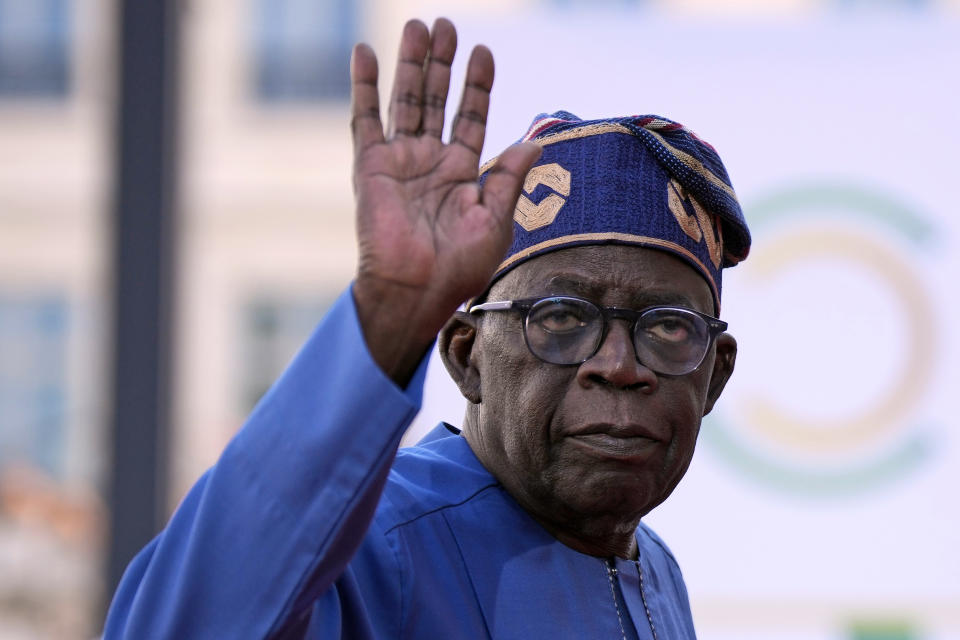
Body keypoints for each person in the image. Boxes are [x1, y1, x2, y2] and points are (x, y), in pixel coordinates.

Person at [104, 17, 750, 640]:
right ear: (467, 356)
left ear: (714, 374)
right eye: (560, 317)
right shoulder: (374, 546)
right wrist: (389, 311)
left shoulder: (656, 568)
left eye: (667, 328)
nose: (619, 365)